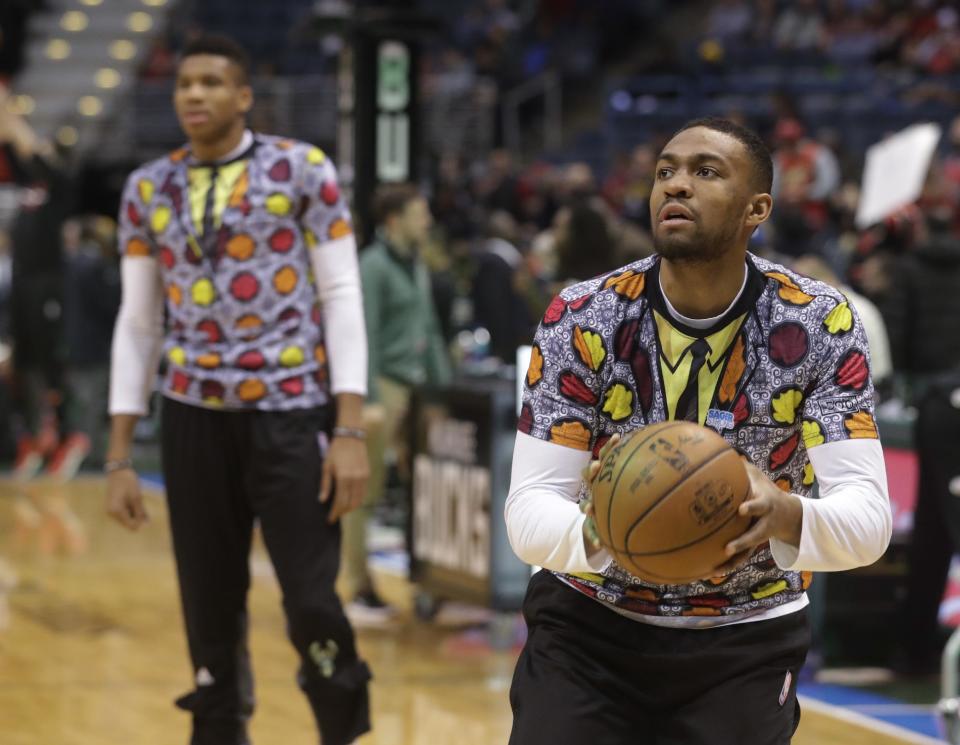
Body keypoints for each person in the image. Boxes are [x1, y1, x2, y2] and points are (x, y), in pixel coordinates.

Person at [505, 117, 892, 744]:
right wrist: (603, 532)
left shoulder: (821, 322)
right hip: (588, 627)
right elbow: (527, 512)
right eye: (665, 172)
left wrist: (786, 513)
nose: (675, 186)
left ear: (756, 208)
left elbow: (869, 521)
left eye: (704, 172)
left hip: (747, 637)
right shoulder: (584, 314)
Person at [104, 35, 371, 745]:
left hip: (291, 415)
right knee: (209, 610)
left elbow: (342, 294)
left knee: (312, 602)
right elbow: (137, 323)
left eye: (213, 82)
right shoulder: (146, 188)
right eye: (185, 83)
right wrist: (120, 453)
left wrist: (348, 428)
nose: (195, 94)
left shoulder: (302, 169)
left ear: (244, 96)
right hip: (191, 419)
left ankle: (342, 727)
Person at [345, 183, 451, 624]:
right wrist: (365, 396)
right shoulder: (372, 265)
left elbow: (429, 329)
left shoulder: (417, 264)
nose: (426, 221)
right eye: (418, 213)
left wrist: (444, 391)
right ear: (394, 221)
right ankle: (359, 587)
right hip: (383, 386)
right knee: (364, 491)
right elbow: (362, 332)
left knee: (425, 490)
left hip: (417, 389)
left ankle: (427, 585)